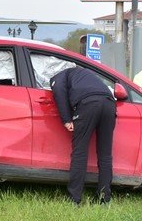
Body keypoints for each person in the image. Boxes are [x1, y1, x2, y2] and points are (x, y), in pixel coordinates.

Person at [50, 66, 117, 205]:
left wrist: (66, 119)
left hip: (88, 104)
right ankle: (104, 198)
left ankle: (74, 198)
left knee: (79, 152)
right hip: (110, 104)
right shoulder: (84, 74)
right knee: (105, 155)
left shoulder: (60, 77)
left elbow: (59, 91)